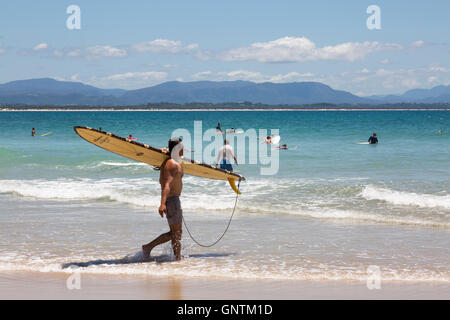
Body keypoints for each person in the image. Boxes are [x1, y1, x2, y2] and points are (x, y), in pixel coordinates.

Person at [142, 137, 184, 261]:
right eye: (181, 147)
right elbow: (166, 185)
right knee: (176, 233)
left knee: (176, 233)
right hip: (172, 201)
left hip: (173, 200)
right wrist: (162, 204)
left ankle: (175, 257)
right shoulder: (172, 164)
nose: (184, 149)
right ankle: (176, 258)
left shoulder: (171, 161)